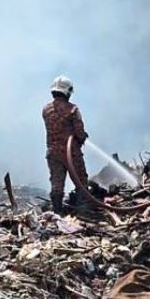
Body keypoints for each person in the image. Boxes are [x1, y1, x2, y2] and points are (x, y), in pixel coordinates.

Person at [43, 77, 97, 213]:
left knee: (56, 182)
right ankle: (82, 209)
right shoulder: (72, 110)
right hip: (71, 153)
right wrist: (83, 137)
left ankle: (57, 210)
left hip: (53, 153)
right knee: (81, 180)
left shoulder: (46, 109)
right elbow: (79, 133)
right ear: (67, 92)